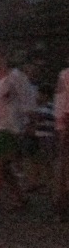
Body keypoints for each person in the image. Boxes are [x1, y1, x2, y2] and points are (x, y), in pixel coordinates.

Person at [0, 49, 31, 214]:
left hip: (11, 127)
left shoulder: (17, 77)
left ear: (4, 58)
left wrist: (29, 124)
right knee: (3, 166)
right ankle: (20, 196)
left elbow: (27, 101)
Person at [54, 60, 69, 222]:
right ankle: (62, 205)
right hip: (67, 120)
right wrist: (60, 123)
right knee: (64, 166)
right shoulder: (65, 75)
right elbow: (60, 99)